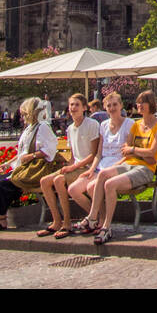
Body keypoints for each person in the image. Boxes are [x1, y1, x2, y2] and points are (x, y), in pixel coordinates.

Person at [84, 91, 157, 244]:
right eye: (138, 103)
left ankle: (106, 227)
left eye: (143, 102)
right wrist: (134, 153)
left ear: (151, 104)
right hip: (129, 164)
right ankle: (92, 217)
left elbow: (151, 154)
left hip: (145, 170)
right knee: (103, 174)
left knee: (110, 184)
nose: (139, 105)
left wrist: (134, 151)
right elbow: (125, 150)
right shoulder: (136, 125)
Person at [0, 97, 57, 233]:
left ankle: (2, 219)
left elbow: (50, 150)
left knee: (3, 185)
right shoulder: (30, 128)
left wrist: (32, 156)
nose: (22, 117)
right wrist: (8, 163)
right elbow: (21, 152)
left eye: (23, 114)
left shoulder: (43, 127)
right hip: (24, 167)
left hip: (34, 169)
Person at [69, 93, 133, 238]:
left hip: (117, 166)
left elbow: (127, 155)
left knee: (92, 187)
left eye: (115, 105)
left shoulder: (129, 124)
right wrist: (91, 170)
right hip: (100, 167)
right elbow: (98, 154)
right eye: (109, 106)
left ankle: (100, 220)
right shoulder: (103, 125)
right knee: (73, 189)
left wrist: (111, 168)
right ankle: (97, 218)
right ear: (105, 108)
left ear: (121, 105)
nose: (112, 108)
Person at [38, 93, 101, 239]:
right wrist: (67, 165)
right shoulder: (70, 128)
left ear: (84, 108)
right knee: (44, 181)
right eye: (71, 105)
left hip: (87, 167)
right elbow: (73, 156)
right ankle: (56, 221)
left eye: (77, 105)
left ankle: (67, 223)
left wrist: (72, 168)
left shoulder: (91, 125)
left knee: (59, 180)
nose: (73, 108)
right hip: (75, 166)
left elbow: (93, 154)